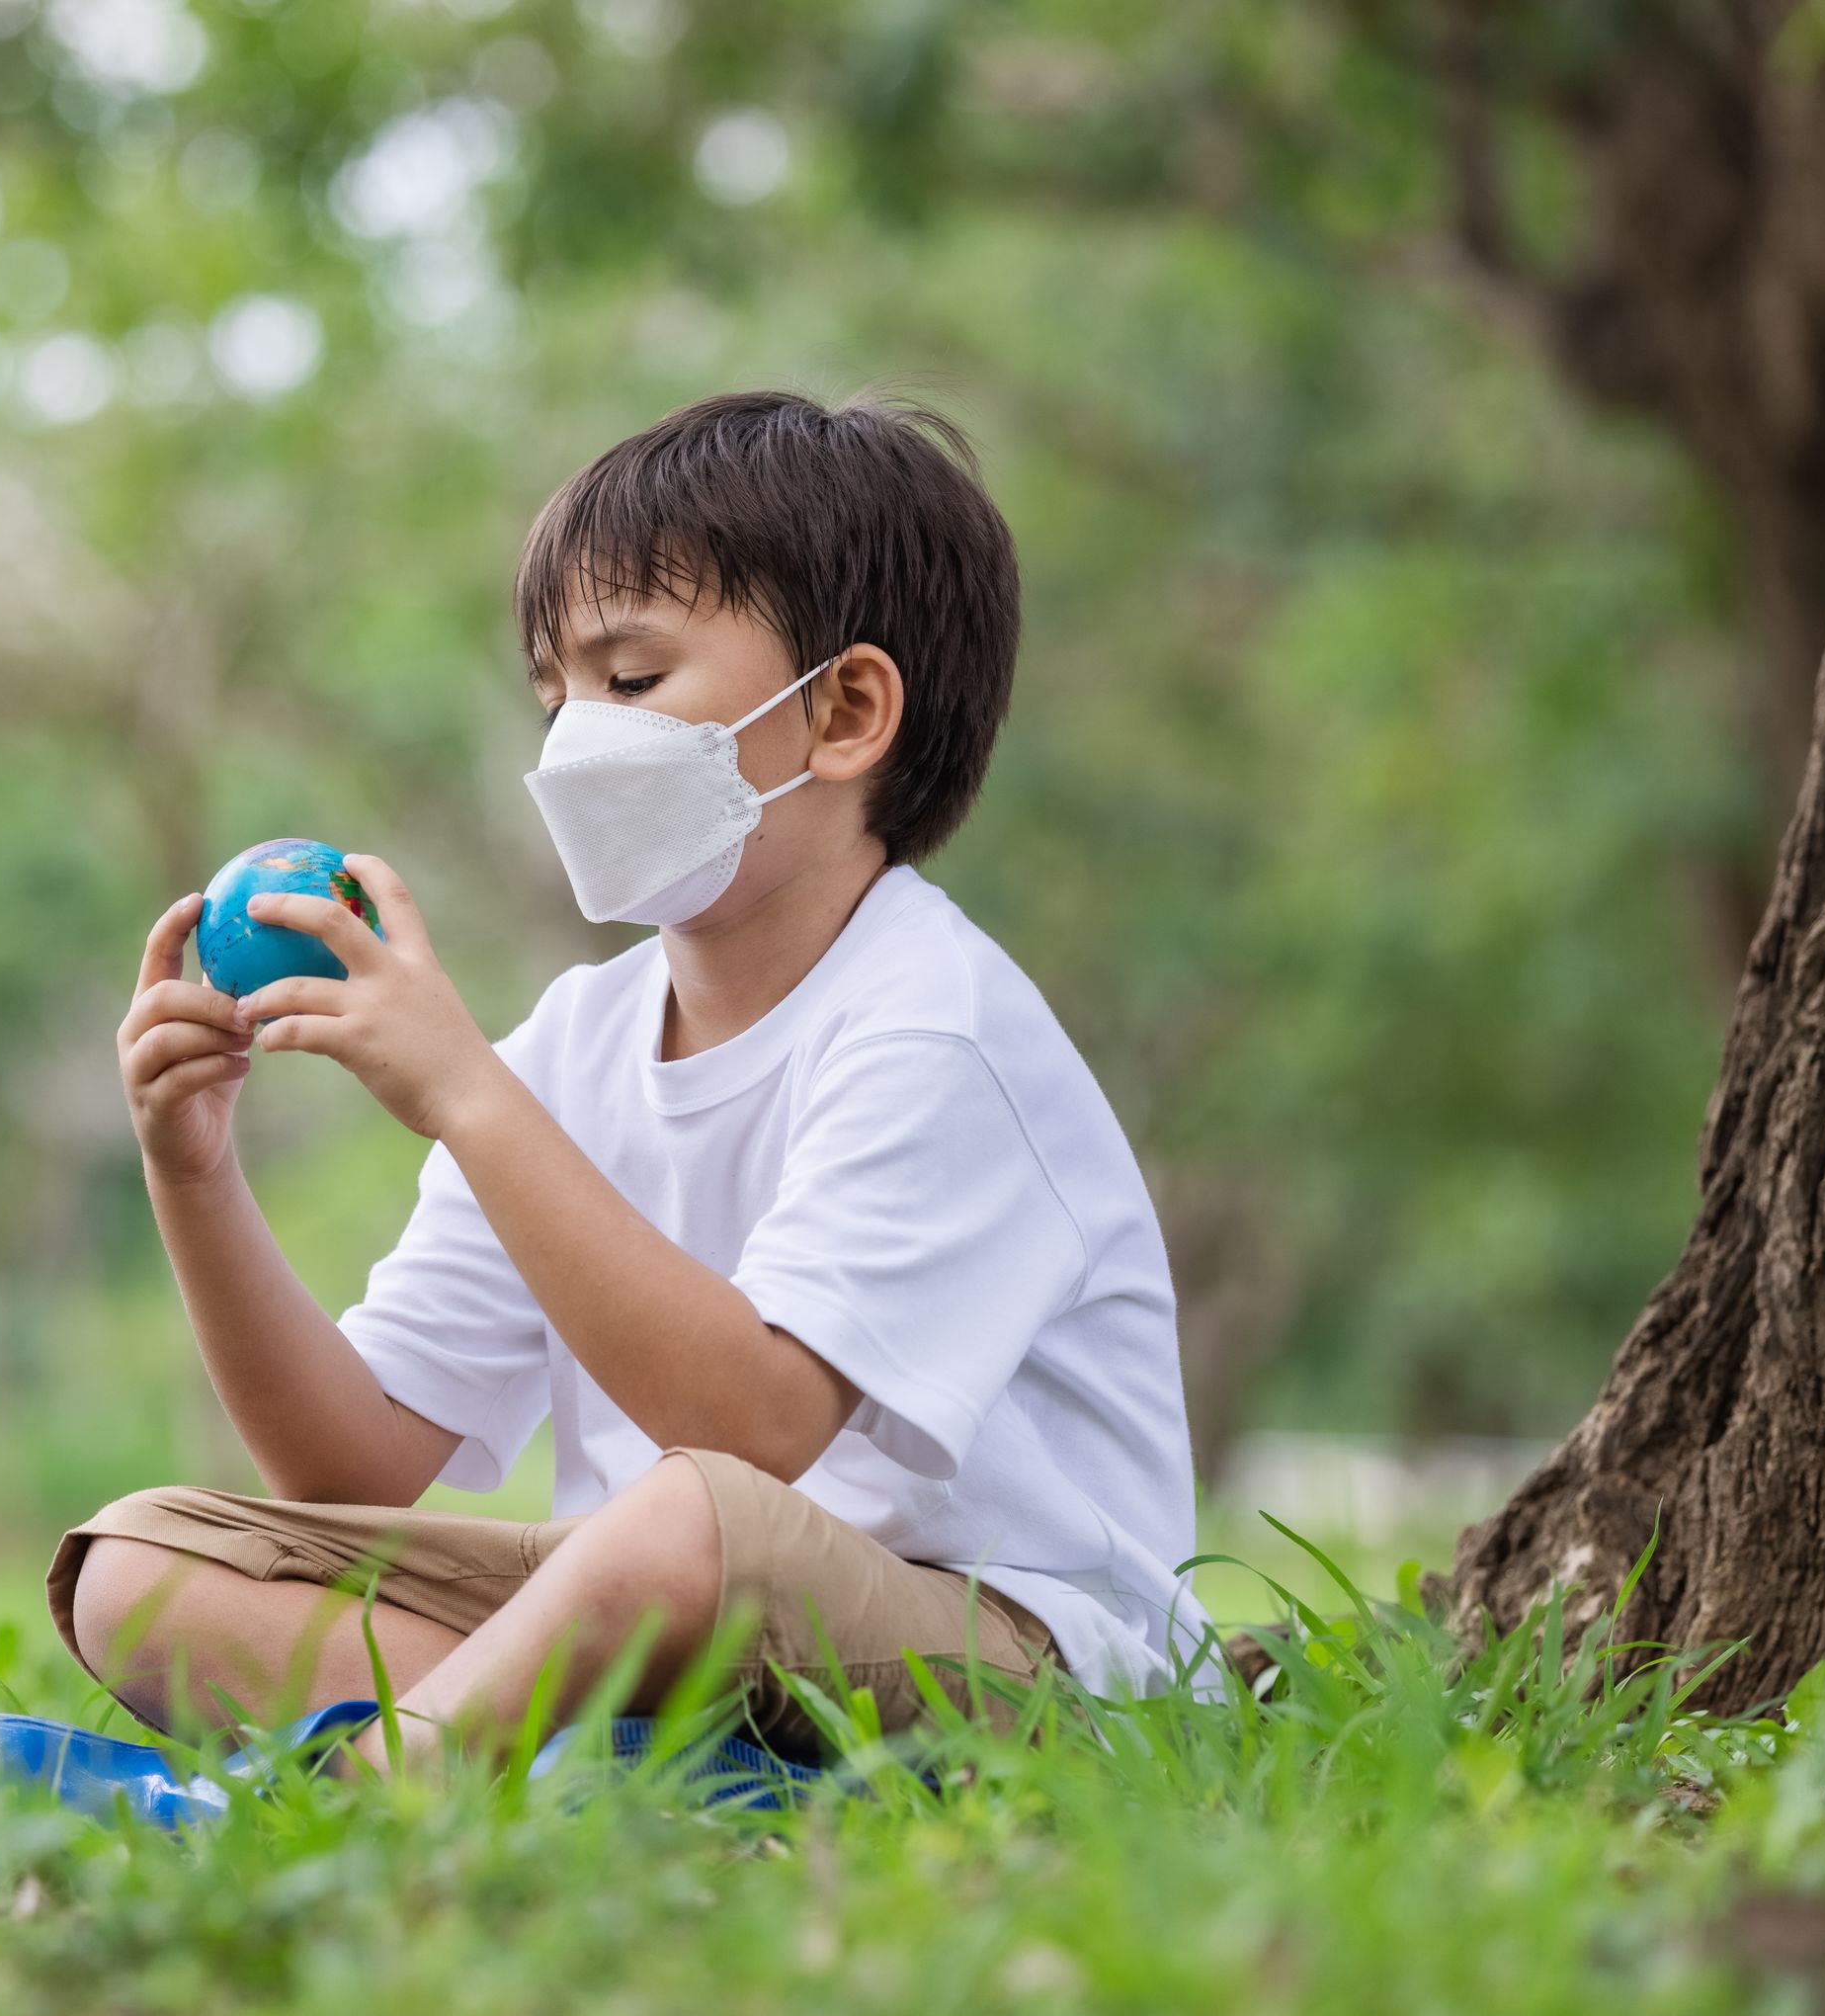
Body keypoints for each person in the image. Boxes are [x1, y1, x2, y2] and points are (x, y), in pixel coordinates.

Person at [71, 388, 1211, 1773]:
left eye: (628, 680)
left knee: (687, 1517)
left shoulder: (935, 1023)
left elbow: (755, 1430)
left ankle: (382, 1778)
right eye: (552, 692)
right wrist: (192, 1170)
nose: (570, 741)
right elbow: (348, 1464)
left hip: (1014, 1660)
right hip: (671, 1616)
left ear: (844, 710)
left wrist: (465, 1095)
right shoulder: (571, 1039)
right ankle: (597, 1758)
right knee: (135, 1562)